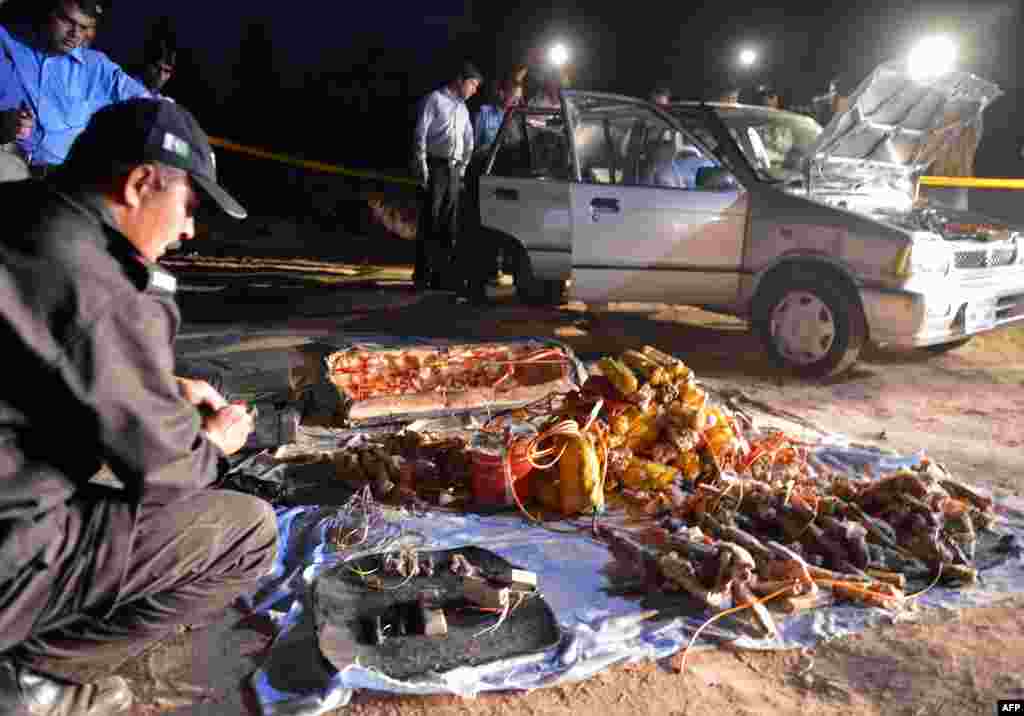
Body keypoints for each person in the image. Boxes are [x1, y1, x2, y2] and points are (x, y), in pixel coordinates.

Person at [0, 98, 277, 715]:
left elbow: (45, 358)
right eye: (189, 207)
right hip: (9, 551)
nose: (188, 231)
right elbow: (165, 471)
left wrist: (158, 385)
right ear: (140, 183)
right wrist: (215, 446)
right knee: (247, 532)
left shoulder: (24, 212)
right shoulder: (97, 278)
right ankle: (30, 680)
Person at [0, 0, 149, 175]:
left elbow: (153, 106)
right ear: (47, 12)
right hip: (9, 163)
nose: (75, 34)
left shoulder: (97, 66)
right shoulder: (5, 44)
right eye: (67, 21)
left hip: (62, 181)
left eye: (84, 27)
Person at [412, 61, 481, 291]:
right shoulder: (435, 99)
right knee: (430, 220)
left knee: (448, 225)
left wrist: (462, 169)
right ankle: (422, 274)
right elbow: (421, 132)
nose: (475, 90)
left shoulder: (462, 109)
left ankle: (442, 276)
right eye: (472, 84)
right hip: (436, 166)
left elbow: (468, 139)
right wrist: (422, 165)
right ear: (460, 81)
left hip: (452, 170)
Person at [473, 77, 522, 156]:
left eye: (518, 99)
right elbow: (473, 147)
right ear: (501, 94)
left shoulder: (514, 118)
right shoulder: (483, 113)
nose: (516, 103)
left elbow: (517, 145)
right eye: (514, 97)